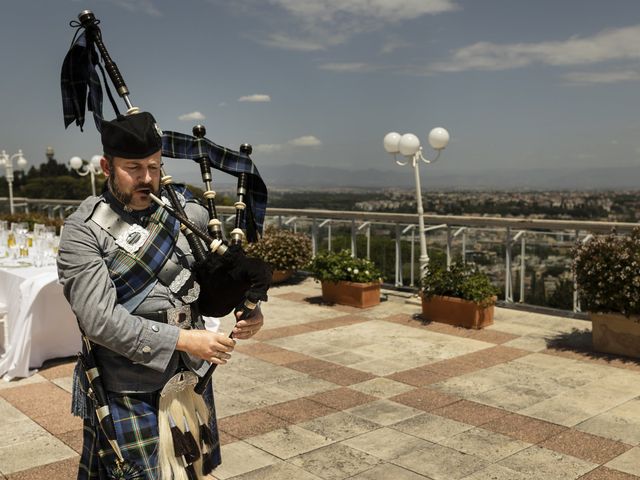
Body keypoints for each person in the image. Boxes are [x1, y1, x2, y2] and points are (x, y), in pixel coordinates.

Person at [57, 111, 264, 479]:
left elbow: (222, 271)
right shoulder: (84, 231)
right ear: (107, 165)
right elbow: (100, 321)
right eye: (133, 167)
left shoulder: (185, 212)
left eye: (154, 166)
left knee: (191, 471)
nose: (147, 178)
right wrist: (184, 339)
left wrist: (250, 306)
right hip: (129, 387)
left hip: (191, 377)